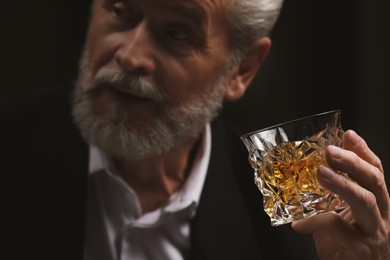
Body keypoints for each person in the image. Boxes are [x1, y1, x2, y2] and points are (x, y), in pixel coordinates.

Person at [2, 0, 389, 259]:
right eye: (121, 11)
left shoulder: (294, 234)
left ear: (241, 69)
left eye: (176, 33)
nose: (129, 55)